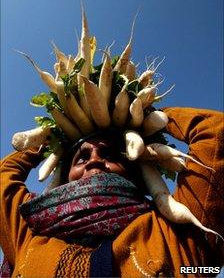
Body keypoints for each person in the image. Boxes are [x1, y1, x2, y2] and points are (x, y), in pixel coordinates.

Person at [0, 107, 223, 277]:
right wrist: (48, 138)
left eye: (109, 155)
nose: (94, 161)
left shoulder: (178, 234)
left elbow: (215, 131)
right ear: (65, 175)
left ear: (134, 170)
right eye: (82, 158)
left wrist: (148, 117)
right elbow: (4, 176)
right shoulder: (29, 235)